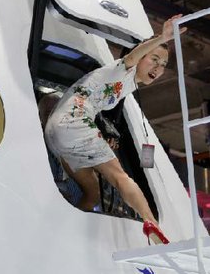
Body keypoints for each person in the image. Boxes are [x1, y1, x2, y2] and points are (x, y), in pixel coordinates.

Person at [44, 15, 186, 242]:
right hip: (74, 123)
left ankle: (66, 238)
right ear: (141, 56)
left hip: (57, 133)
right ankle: (152, 223)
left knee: (92, 193)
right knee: (120, 178)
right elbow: (132, 55)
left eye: (163, 65)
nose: (158, 68)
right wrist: (163, 36)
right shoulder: (122, 70)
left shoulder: (124, 85)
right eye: (154, 59)